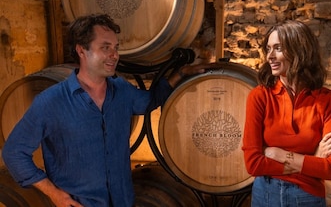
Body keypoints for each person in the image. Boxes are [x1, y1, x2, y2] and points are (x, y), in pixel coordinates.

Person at [2, 14, 210, 207]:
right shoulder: (51, 101)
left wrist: (180, 73)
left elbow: (148, 102)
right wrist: (54, 194)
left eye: (116, 47)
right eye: (105, 47)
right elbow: (14, 152)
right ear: (81, 50)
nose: (114, 55)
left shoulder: (121, 90)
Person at [242, 20, 331, 207]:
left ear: (299, 51)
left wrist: (277, 153)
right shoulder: (260, 96)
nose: (270, 56)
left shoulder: (327, 100)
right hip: (266, 193)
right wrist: (312, 161)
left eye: (278, 48)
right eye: (268, 49)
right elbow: (253, 164)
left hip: (308, 196)